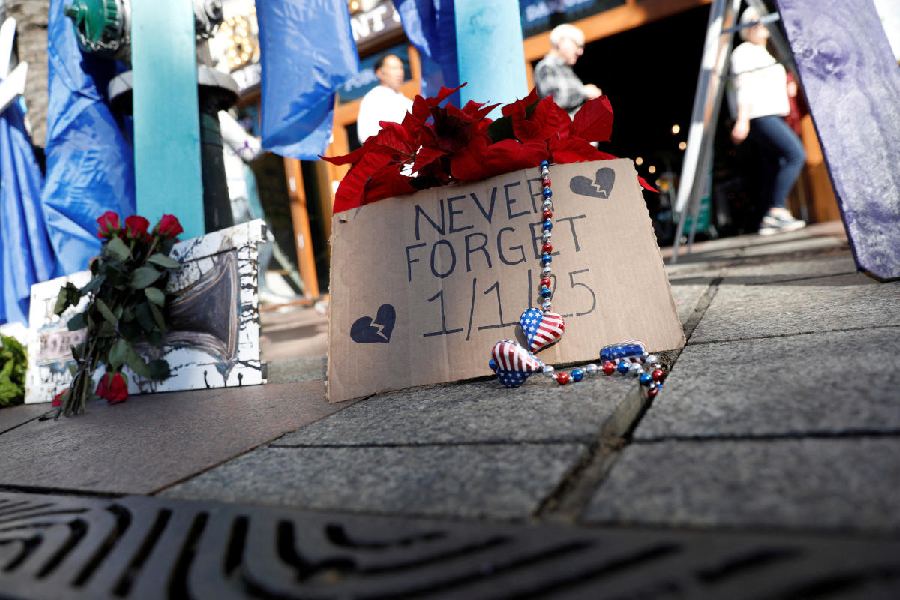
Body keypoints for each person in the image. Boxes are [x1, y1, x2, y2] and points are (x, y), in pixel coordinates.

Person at [730, 7, 806, 235]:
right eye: (752, 21)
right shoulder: (744, 52)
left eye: (761, 20)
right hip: (759, 115)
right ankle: (777, 210)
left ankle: (768, 217)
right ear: (744, 28)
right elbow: (743, 85)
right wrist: (742, 120)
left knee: (773, 165)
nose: (759, 24)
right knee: (796, 155)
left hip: (772, 114)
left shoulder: (766, 53)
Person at [534, 24, 602, 116]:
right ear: (561, 42)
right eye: (577, 45)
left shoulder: (564, 69)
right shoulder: (546, 67)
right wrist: (584, 92)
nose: (580, 51)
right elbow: (555, 100)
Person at [356, 54, 413, 144]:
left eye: (401, 68)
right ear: (380, 73)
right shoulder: (372, 99)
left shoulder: (407, 102)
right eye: (394, 68)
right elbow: (366, 136)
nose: (399, 72)